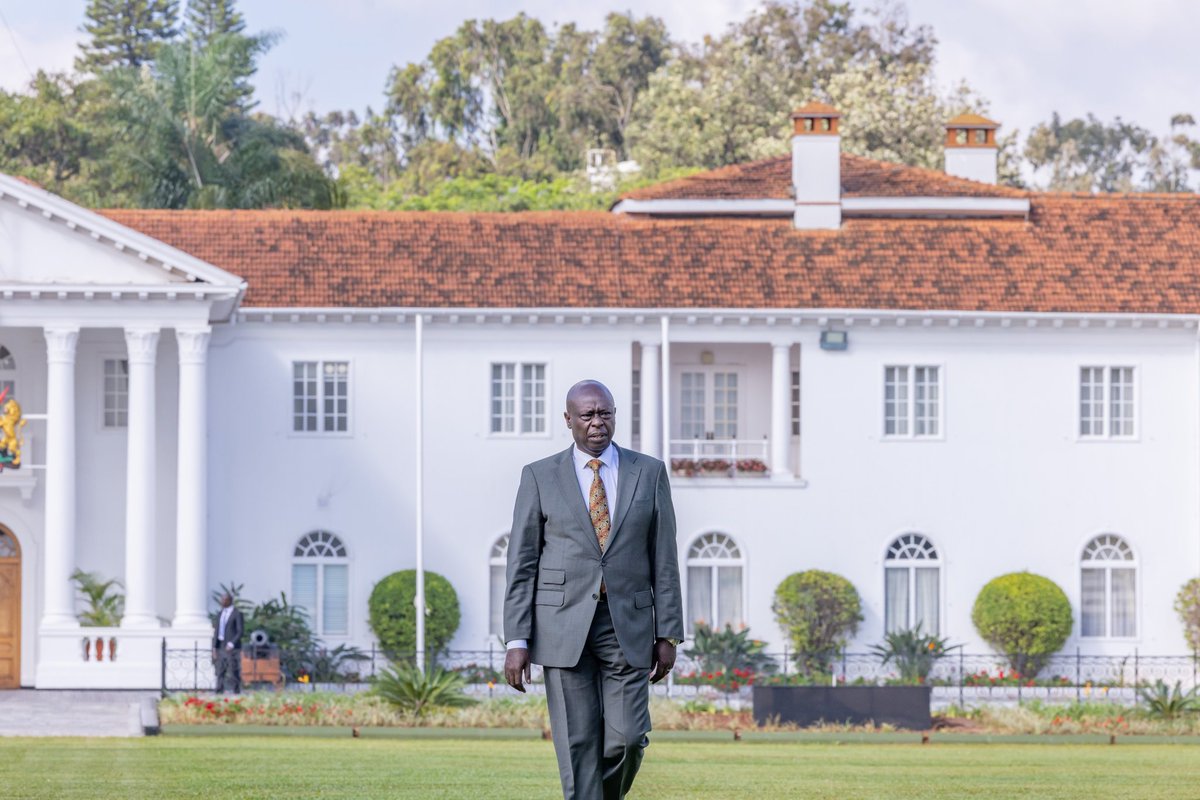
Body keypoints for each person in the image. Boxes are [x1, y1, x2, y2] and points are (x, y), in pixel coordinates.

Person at [504, 379, 684, 800]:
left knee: (628, 737)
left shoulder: (649, 472)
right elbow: (522, 562)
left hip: (628, 625)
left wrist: (668, 633)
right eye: (587, 415)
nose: (598, 423)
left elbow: (665, 558)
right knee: (578, 743)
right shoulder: (539, 476)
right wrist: (517, 638)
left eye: (606, 413)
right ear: (568, 420)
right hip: (561, 626)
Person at [212, 592, 244, 694]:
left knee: (233, 669)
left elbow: (240, 631)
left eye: (225, 600)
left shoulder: (237, 613)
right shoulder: (220, 613)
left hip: (232, 647)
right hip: (221, 644)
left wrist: (232, 643)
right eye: (222, 599)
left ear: (230, 600)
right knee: (220, 669)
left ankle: (236, 690)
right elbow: (217, 630)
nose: (222, 601)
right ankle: (219, 689)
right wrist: (214, 647)